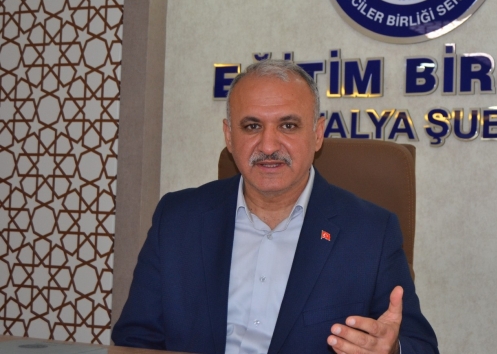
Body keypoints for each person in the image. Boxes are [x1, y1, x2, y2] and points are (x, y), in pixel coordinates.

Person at [112, 60, 439, 354]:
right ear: (229, 136)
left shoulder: (371, 233)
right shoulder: (177, 219)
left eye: (288, 126)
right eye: (252, 126)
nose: (268, 145)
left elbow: (420, 346)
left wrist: (391, 350)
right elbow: (134, 341)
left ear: (318, 134)